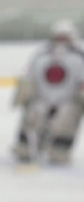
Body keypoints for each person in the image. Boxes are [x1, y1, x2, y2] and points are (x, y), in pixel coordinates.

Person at [14, 19, 84, 164]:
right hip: (42, 97)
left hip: (68, 100)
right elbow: (30, 76)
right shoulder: (41, 54)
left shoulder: (79, 56)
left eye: (65, 37)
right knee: (33, 115)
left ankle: (59, 151)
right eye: (59, 36)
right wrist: (26, 91)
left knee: (65, 121)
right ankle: (25, 148)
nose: (61, 40)